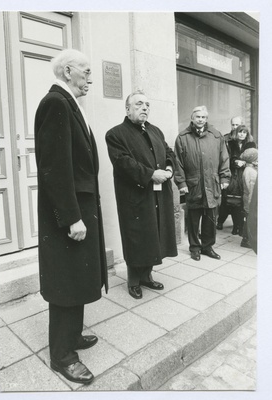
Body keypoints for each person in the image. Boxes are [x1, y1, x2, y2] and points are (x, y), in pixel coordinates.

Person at [34, 49, 108, 384]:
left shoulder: (68, 103)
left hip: (79, 209)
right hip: (69, 214)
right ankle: (62, 355)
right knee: (66, 281)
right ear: (67, 71)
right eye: (87, 71)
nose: (91, 78)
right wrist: (70, 217)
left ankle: (73, 335)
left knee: (77, 276)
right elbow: (55, 169)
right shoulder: (56, 104)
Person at [105, 90, 177, 299]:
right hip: (135, 197)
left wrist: (170, 169)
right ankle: (134, 281)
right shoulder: (116, 134)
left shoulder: (155, 130)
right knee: (137, 238)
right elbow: (123, 162)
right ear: (127, 109)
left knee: (153, 236)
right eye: (138, 104)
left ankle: (147, 276)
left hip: (157, 194)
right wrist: (151, 174)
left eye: (147, 104)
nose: (144, 107)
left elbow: (168, 152)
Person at [174, 105, 230, 261]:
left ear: (207, 119)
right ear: (192, 118)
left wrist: (225, 177)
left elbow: (224, 158)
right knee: (193, 219)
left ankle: (207, 247)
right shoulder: (183, 137)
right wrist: (181, 183)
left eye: (203, 117)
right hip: (193, 185)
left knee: (211, 219)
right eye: (198, 116)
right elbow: (177, 162)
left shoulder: (216, 136)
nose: (201, 120)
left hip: (212, 184)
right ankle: (195, 248)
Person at [223, 125, 256, 235]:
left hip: (246, 173)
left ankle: (242, 228)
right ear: (236, 133)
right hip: (234, 175)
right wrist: (235, 162)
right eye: (240, 132)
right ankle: (236, 226)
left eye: (244, 132)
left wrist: (245, 163)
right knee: (234, 202)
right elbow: (227, 159)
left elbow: (254, 159)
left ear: (247, 134)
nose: (242, 134)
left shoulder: (251, 144)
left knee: (244, 201)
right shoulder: (231, 144)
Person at [217, 116, 243, 229]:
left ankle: (237, 225)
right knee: (226, 199)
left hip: (241, 173)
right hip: (229, 172)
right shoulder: (226, 139)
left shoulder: (245, 138)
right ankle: (220, 221)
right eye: (233, 124)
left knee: (239, 200)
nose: (235, 127)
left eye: (237, 125)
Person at [239, 147, 258, 248]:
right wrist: (252, 205)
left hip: (249, 200)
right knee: (250, 220)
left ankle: (246, 239)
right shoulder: (250, 172)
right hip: (250, 201)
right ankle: (246, 240)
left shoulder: (250, 169)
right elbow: (251, 190)